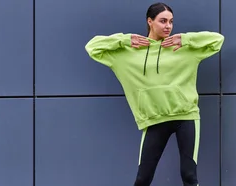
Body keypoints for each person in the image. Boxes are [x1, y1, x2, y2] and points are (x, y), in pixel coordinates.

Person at [84, 2, 224, 186]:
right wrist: (123, 41)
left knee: (189, 176)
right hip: (154, 120)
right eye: (163, 21)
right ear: (150, 21)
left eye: (171, 22)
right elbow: (93, 47)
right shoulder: (128, 52)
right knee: (142, 179)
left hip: (186, 117)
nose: (168, 26)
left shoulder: (183, 47)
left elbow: (217, 40)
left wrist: (186, 39)